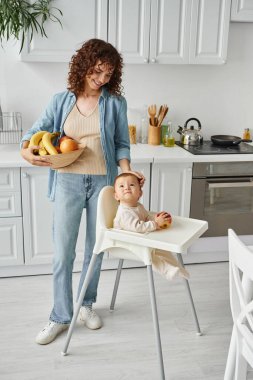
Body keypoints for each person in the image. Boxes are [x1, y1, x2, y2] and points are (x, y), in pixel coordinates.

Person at [20, 38, 144, 345]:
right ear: (84, 65)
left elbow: (120, 143)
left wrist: (126, 169)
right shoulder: (61, 101)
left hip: (103, 183)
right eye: (98, 71)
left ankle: (86, 305)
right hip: (68, 181)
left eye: (108, 73)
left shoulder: (115, 103)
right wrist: (28, 153)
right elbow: (33, 134)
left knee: (95, 248)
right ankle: (60, 316)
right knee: (63, 253)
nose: (102, 78)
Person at [113, 173, 189, 280]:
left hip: (139, 238)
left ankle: (175, 266)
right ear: (116, 196)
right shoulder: (123, 213)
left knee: (163, 249)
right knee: (150, 255)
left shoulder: (139, 206)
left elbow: (146, 217)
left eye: (132, 185)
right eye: (121, 186)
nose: (126, 188)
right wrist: (156, 224)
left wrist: (156, 221)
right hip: (126, 243)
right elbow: (137, 227)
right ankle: (167, 270)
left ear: (140, 193)